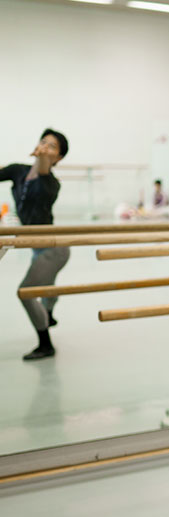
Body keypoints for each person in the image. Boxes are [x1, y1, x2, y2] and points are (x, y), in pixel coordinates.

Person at [0, 128, 70, 360]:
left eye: (52, 147)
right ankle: (48, 313)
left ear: (58, 158)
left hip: (54, 248)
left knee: (26, 292)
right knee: (45, 286)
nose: (45, 148)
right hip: (38, 247)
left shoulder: (52, 184)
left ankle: (45, 344)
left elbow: (42, 172)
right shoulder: (18, 171)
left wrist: (42, 157)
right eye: (43, 143)